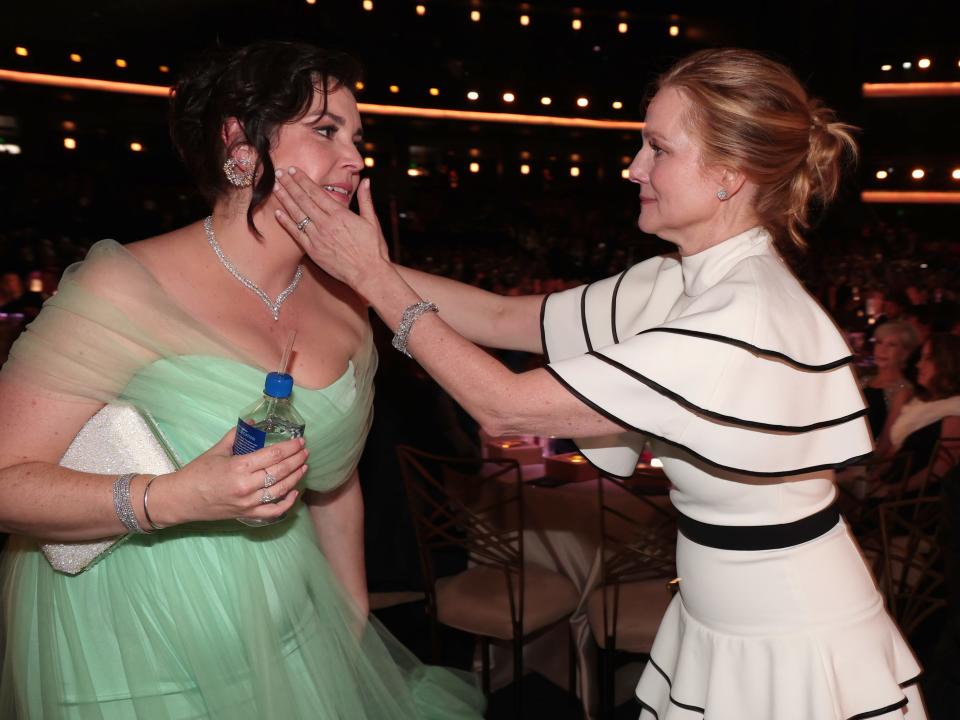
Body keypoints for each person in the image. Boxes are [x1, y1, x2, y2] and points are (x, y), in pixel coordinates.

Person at [273, 47, 926, 718]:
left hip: (786, 639)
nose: (634, 167)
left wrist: (374, 278)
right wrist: (351, 263)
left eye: (657, 149)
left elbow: (504, 408)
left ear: (728, 175)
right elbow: (500, 316)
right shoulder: (683, 279)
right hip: (721, 612)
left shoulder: (738, 316)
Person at [0, 41, 483, 719]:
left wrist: (347, 619)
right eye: (325, 130)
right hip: (130, 660)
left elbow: (332, 483)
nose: (354, 157)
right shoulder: (125, 284)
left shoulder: (345, 304)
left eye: (356, 136)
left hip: (290, 647)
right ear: (241, 144)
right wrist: (169, 497)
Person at [890, 333, 960, 489]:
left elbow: (942, 469)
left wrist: (894, 490)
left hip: (915, 501)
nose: (918, 365)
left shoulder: (955, 409)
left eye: (927, 358)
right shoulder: (921, 401)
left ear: (947, 364)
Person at [863, 321, 917, 455]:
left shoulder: (903, 390)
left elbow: (887, 441)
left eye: (891, 345)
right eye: (879, 343)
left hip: (866, 463)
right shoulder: (862, 381)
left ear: (904, 353)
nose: (882, 350)